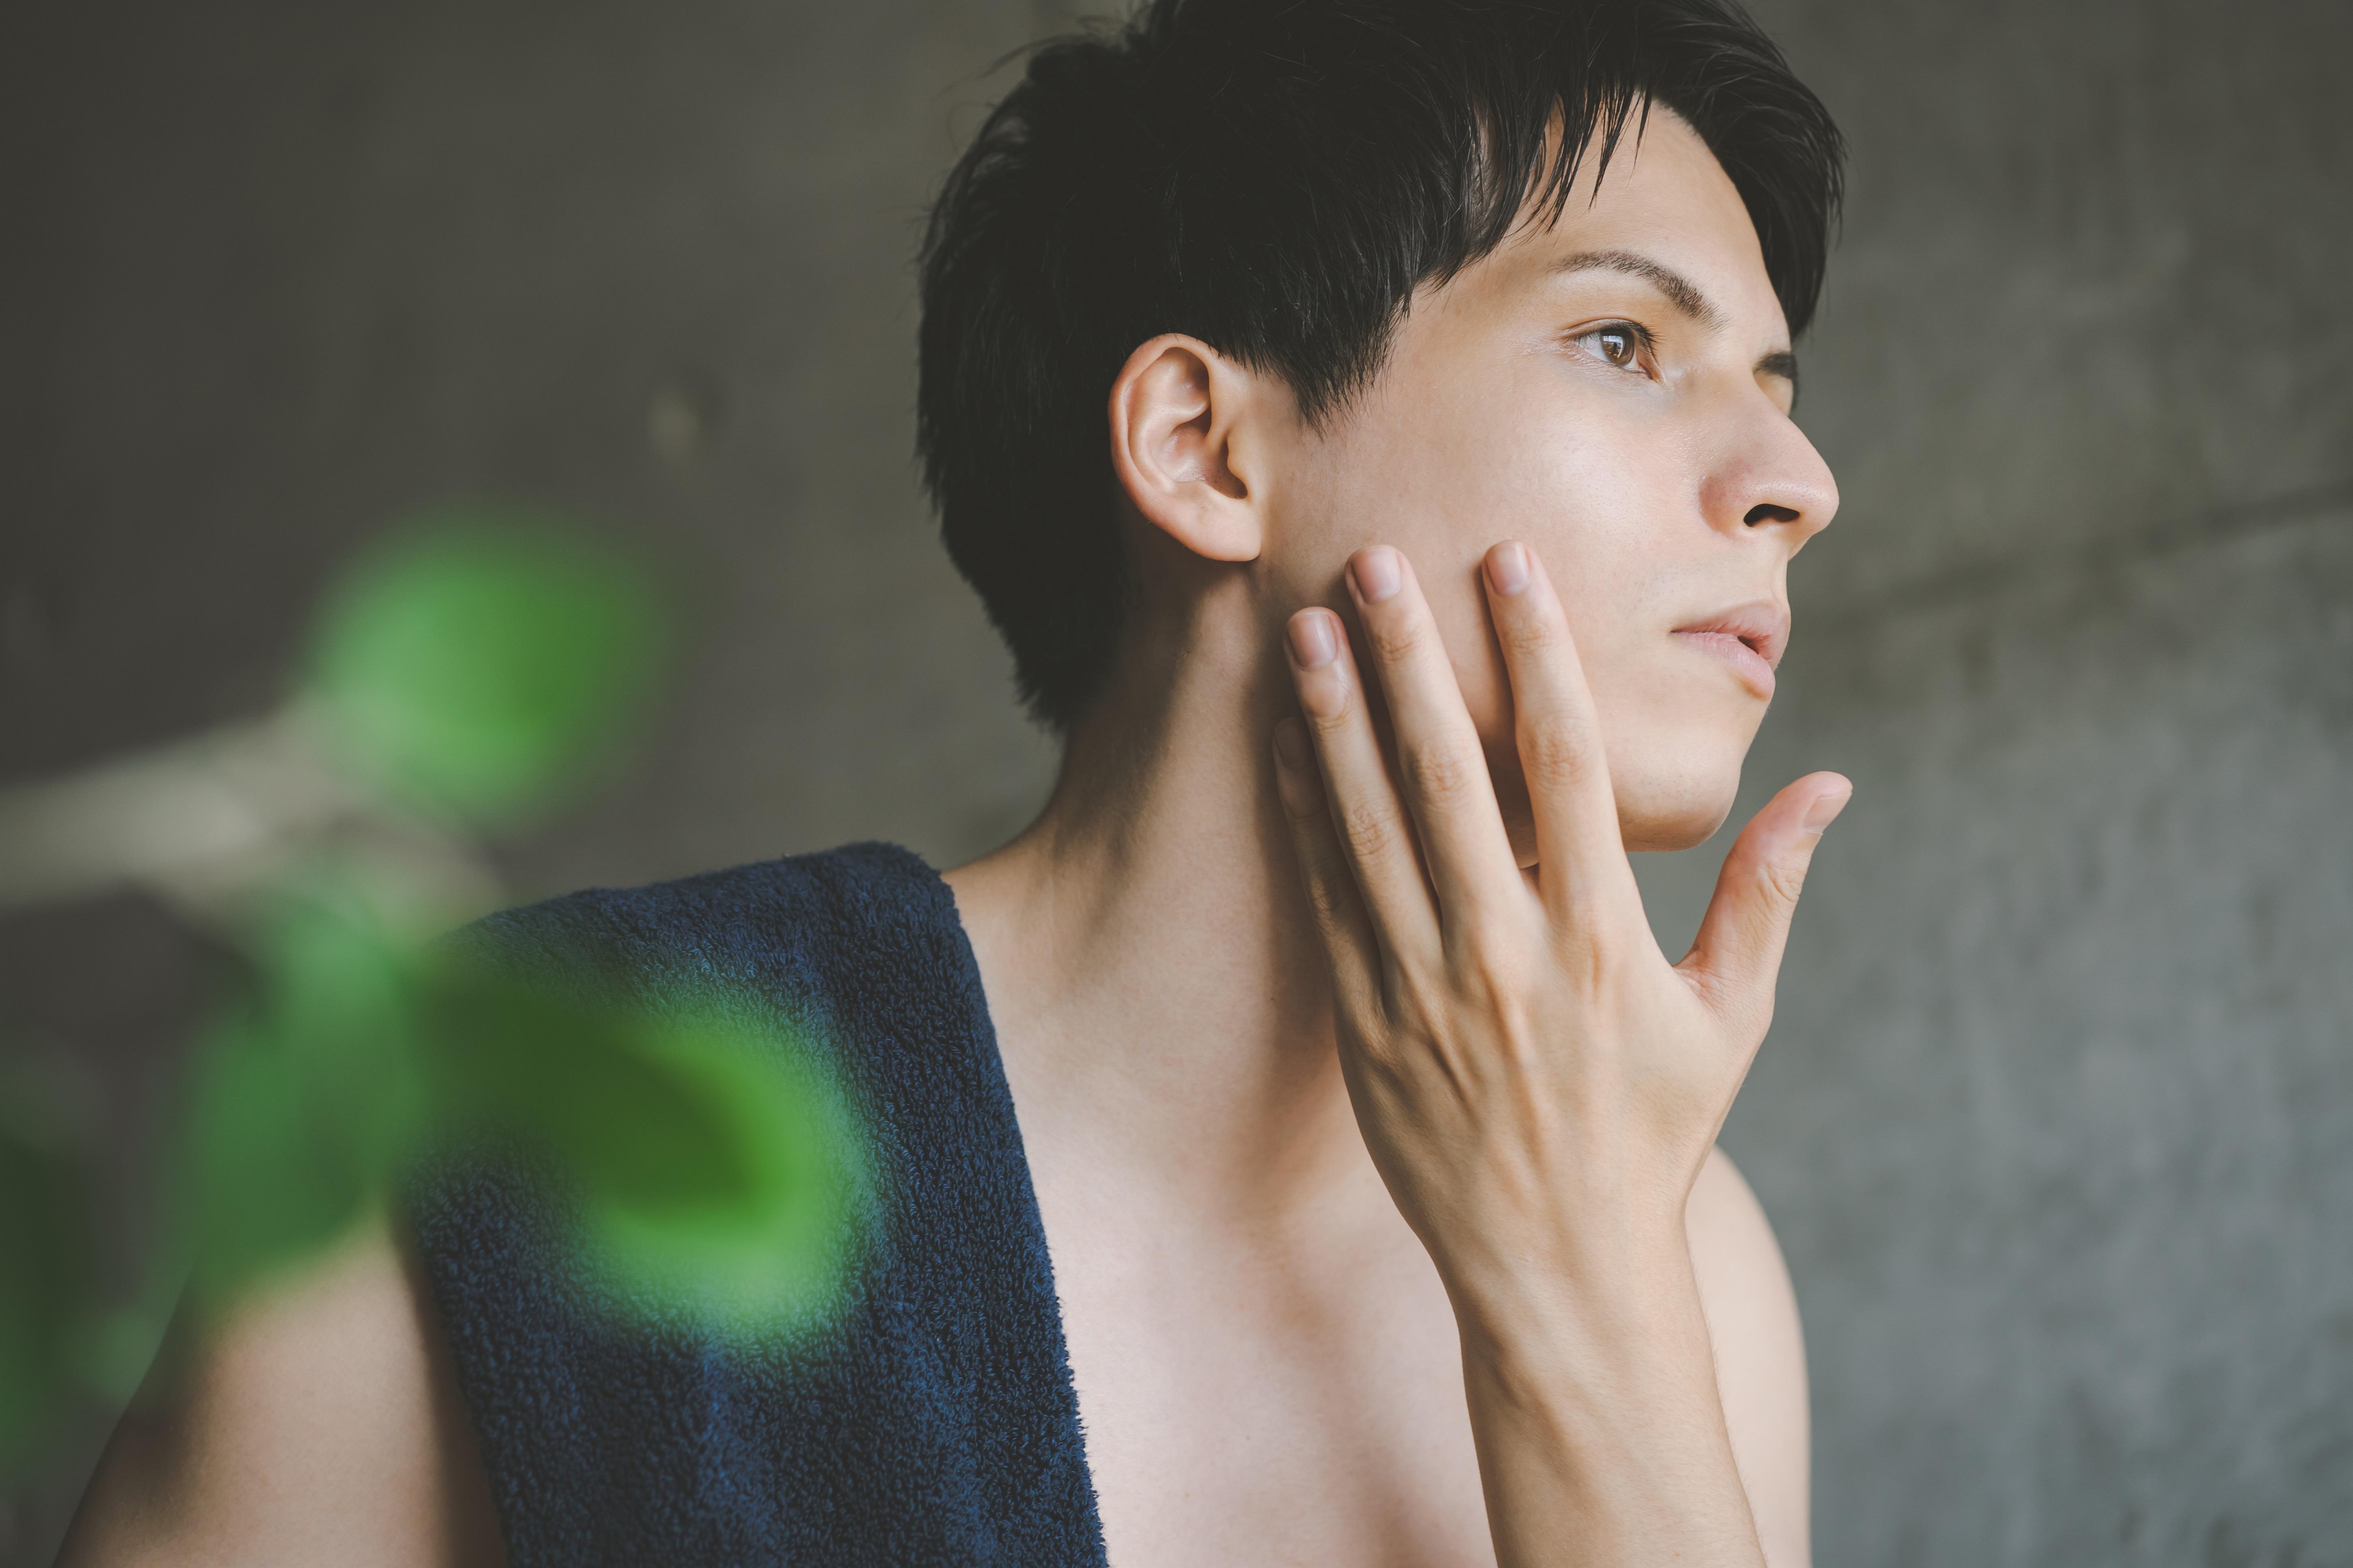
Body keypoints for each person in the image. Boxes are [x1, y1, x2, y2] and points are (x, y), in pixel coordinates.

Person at [59, 0, 1850, 1563]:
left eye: (1775, 385)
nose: (1796, 479)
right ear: (1205, 448)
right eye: (1626, 344)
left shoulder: (1688, 1262)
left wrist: (1577, 1285)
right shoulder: (524, 1130)